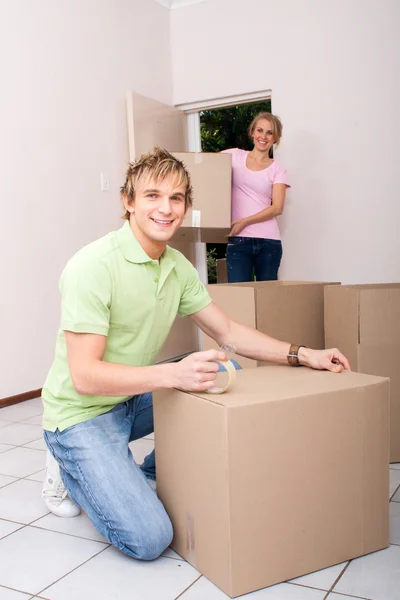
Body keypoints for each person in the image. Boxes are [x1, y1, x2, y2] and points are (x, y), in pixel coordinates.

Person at [41, 146, 349, 560]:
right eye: (152, 195)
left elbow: (228, 333)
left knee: (225, 368)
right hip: (80, 414)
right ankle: (68, 465)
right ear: (128, 202)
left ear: (185, 207)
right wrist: (171, 375)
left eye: (176, 198)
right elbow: (86, 376)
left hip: (129, 398)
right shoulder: (93, 266)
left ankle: (137, 470)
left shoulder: (177, 267)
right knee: (150, 540)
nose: (165, 209)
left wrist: (303, 353)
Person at [222, 112, 289, 282]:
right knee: (239, 296)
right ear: (252, 132)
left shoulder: (278, 169)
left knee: (267, 299)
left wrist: (245, 222)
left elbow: (277, 207)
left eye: (270, 132)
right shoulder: (234, 156)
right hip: (238, 240)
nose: (263, 136)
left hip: (269, 242)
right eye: (260, 130)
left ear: (275, 138)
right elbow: (206, 166)